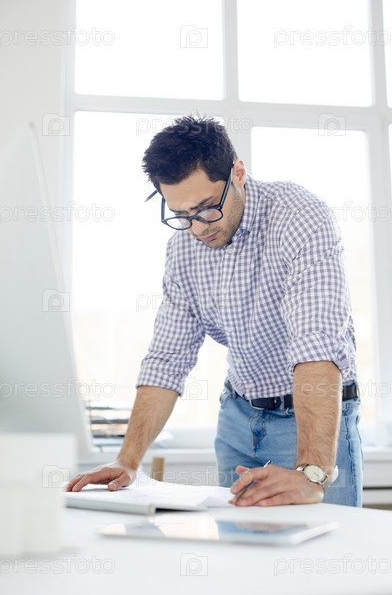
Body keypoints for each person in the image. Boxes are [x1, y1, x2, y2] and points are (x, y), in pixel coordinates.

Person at [67, 116, 362, 506]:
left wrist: (312, 472)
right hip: (238, 421)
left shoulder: (299, 217)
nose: (197, 228)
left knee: (328, 542)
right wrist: (127, 460)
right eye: (181, 214)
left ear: (238, 173)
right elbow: (167, 359)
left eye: (206, 208)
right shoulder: (183, 250)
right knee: (238, 543)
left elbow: (317, 344)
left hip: (313, 421)